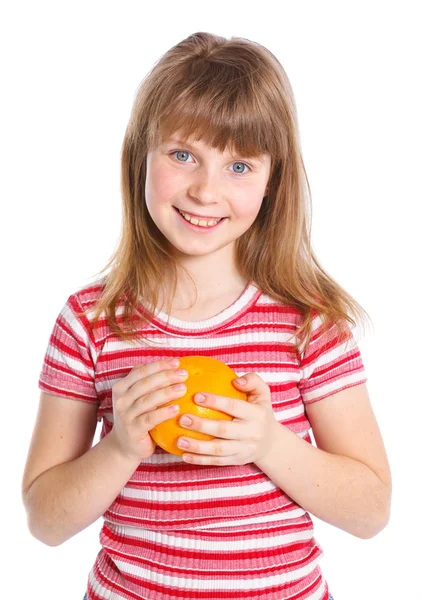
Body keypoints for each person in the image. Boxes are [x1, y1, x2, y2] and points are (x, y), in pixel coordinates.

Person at [21, 31, 392, 600]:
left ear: (274, 182)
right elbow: (46, 521)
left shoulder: (309, 324)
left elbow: (370, 511)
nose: (204, 190)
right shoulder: (89, 322)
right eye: (182, 154)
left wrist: (269, 443)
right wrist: (120, 446)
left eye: (239, 166)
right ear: (139, 155)